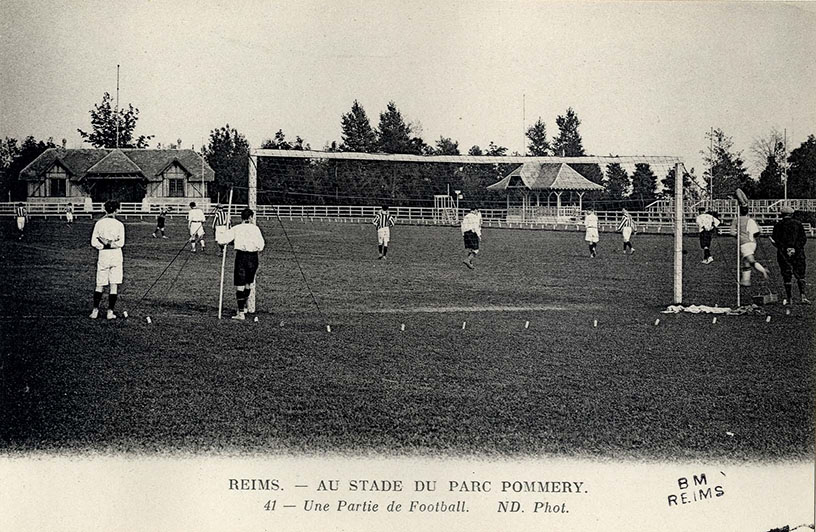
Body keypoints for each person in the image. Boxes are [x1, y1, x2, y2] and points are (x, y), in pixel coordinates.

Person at [222, 208, 265, 320]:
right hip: (253, 257)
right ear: (250, 217)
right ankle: (243, 308)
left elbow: (222, 240)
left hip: (241, 257)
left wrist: (224, 231)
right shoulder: (255, 229)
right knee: (247, 283)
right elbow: (261, 245)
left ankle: (241, 312)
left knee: (240, 285)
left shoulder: (237, 228)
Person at [90, 200, 125, 320]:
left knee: (100, 284)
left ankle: (95, 311)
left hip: (104, 255)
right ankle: (110, 312)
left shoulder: (99, 224)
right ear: (117, 210)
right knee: (113, 285)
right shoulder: (120, 225)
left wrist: (104, 243)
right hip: (115, 255)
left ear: (105, 210)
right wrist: (111, 244)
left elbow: (94, 242)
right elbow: (121, 243)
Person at [770, 206, 809, 305]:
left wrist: (786, 248)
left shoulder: (778, 225)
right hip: (798, 252)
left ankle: (789, 298)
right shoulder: (798, 224)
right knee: (800, 274)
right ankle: (803, 296)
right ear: (792, 214)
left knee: (786, 274)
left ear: (781, 215)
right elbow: (803, 239)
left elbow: (776, 240)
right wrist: (795, 248)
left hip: (783, 253)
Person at [738, 205, 770, 287]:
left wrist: (738, 235)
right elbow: (757, 233)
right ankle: (746, 281)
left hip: (744, 243)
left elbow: (731, 232)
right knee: (746, 262)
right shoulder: (751, 220)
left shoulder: (737, 220)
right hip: (753, 243)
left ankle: (763, 270)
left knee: (750, 260)